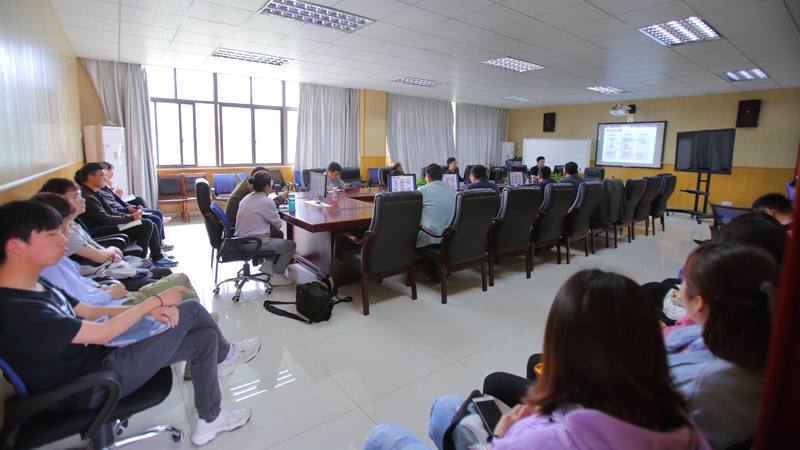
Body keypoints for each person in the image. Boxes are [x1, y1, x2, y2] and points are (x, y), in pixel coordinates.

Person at [0, 200, 261, 446]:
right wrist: (153, 302)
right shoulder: (17, 310)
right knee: (191, 309)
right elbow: (101, 333)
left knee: (205, 339)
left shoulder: (36, 284)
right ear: (16, 246)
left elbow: (89, 312)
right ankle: (227, 356)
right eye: (51, 235)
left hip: (101, 358)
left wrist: (142, 312)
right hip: (92, 383)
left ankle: (210, 419)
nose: (63, 240)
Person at [363, 270, 711, 450]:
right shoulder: (681, 422)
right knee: (444, 409)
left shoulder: (547, 440)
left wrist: (501, 437)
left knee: (382, 436)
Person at [75, 163, 176, 268]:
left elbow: (110, 211)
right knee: (146, 224)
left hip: (108, 226)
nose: (105, 178)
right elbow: (105, 219)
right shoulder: (88, 197)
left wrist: (130, 216)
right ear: (90, 177)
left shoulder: (95, 193)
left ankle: (156, 257)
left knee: (150, 223)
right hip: (104, 230)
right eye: (102, 175)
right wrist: (131, 217)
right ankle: (140, 260)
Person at [234, 171, 296, 286]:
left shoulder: (246, 198)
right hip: (253, 243)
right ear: (266, 186)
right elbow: (278, 224)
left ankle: (268, 265)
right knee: (291, 245)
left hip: (240, 240)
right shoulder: (266, 201)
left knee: (278, 234)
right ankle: (277, 276)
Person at [98, 162, 173, 252]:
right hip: (119, 219)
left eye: (106, 173)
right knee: (153, 219)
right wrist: (128, 212)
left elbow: (114, 204)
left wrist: (129, 208)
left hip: (122, 212)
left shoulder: (102, 189)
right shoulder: (96, 194)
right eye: (104, 174)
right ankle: (155, 250)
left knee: (155, 213)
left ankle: (159, 246)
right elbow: (108, 213)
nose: (106, 176)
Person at [416, 164, 456, 248]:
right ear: (442, 177)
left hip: (433, 239)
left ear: (427, 177)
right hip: (452, 239)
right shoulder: (453, 190)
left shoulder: (422, 190)